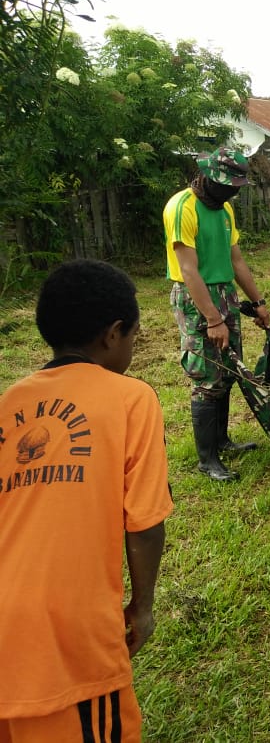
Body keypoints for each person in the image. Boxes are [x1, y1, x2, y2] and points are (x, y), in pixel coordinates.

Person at [0, 259, 173, 740]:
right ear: (112, 335)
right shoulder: (133, 400)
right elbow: (144, 522)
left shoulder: (9, 402)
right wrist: (142, 606)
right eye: (135, 338)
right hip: (64, 639)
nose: (134, 348)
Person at [164, 147, 270, 481]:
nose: (232, 192)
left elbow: (236, 259)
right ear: (207, 176)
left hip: (225, 293)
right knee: (206, 377)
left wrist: (258, 302)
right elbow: (188, 270)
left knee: (226, 371)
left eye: (236, 186)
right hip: (197, 298)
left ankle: (222, 441)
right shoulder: (182, 207)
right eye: (227, 185)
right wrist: (212, 319)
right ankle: (207, 459)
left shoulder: (224, 210)